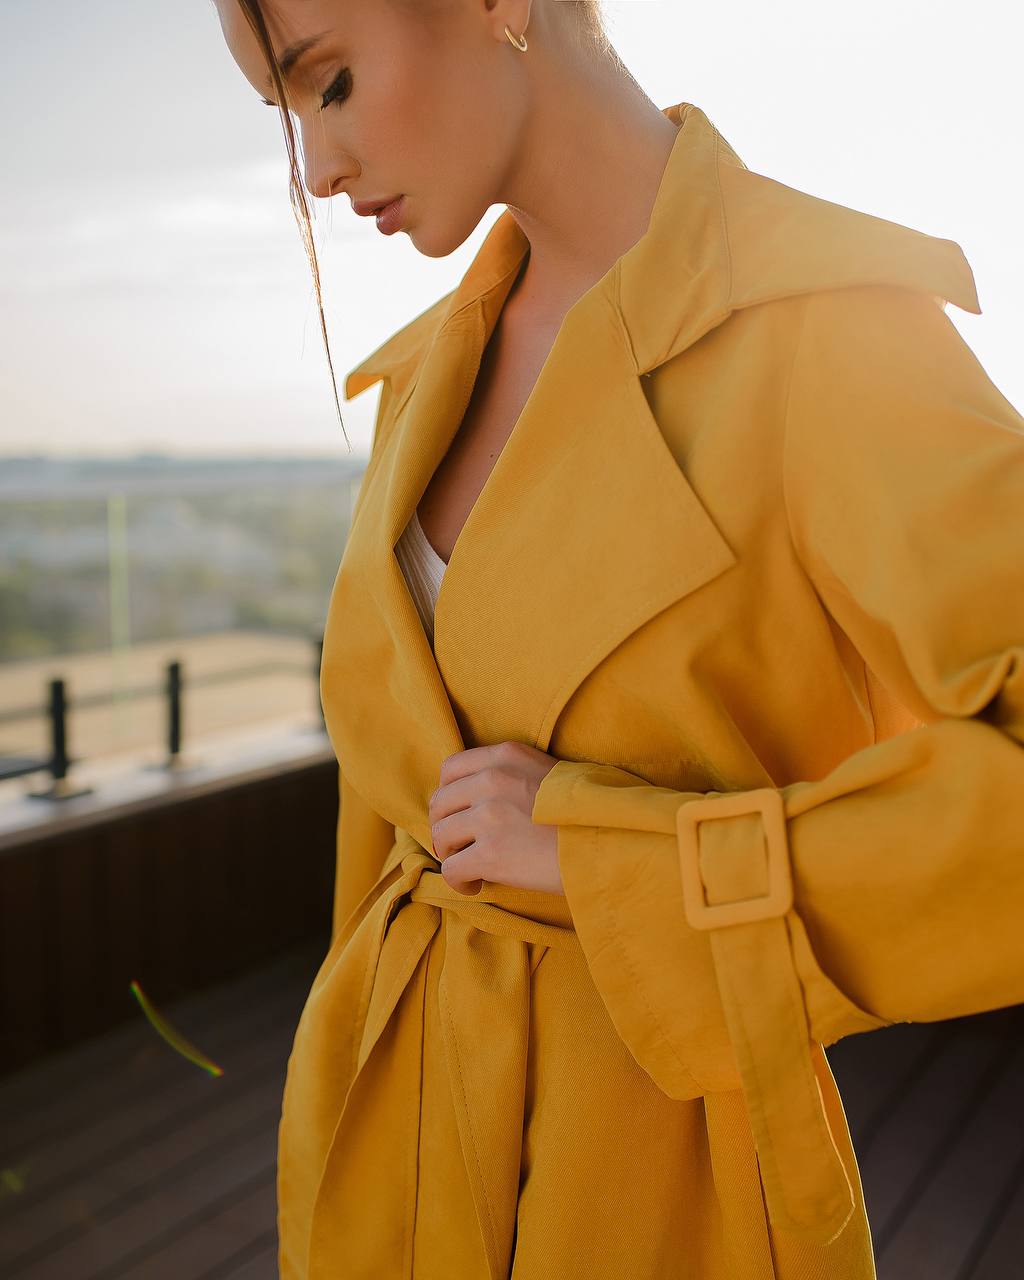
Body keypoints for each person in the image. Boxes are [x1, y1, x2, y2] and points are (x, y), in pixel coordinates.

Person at [213, 3, 1024, 1278]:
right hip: (380, 1152)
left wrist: (616, 859)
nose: (316, 170)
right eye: (284, 118)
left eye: (330, 84)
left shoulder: (823, 323)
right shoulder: (426, 377)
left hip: (657, 1181)